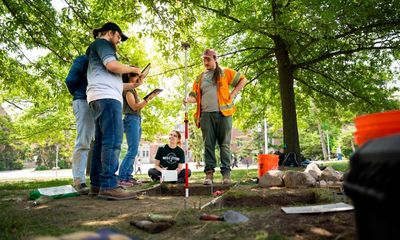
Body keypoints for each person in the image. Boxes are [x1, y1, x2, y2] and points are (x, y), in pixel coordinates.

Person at [86, 22, 141, 200]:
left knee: (101, 142)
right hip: (107, 98)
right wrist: (133, 69)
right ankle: (109, 185)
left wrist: (134, 84)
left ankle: (96, 185)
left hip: (98, 96)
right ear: (111, 33)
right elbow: (112, 65)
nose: (119, 41)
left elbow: (114, 80)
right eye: (118, 37)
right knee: (113, 139)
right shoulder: (103, 44)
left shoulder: (96, 48)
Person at [184, 49, 247, 185]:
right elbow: (194, 95)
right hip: (206, 116)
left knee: (224, 144)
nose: (206, 62)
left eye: (208, 59)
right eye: (204, 60)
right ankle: (209, 175)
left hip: (224, 115)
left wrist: (234, 93)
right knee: (208, 145)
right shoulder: (200, 77)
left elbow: (243, 80)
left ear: (215, 59)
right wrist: (188, 100)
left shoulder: (225, 72)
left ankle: (226, 175)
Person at [118, 72, 157, 186]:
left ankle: (128, 177)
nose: (138, 78)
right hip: (131, 119)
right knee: (132, 150)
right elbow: (134, 107)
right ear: (128, 76)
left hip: (136, 119)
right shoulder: (128, 90)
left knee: (134, 151)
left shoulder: (133, 90)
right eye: (135, 75)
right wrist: (148, 99)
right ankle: (121, 178)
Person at [65, 55, 95, 195]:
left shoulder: (105, 63)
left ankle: (97, 180)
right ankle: (79, 181)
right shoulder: (83, 60)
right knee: (83, 141)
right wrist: (79, 93)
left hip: (97, 103)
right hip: (83, 101)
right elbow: (70, 80)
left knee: (96, 143)